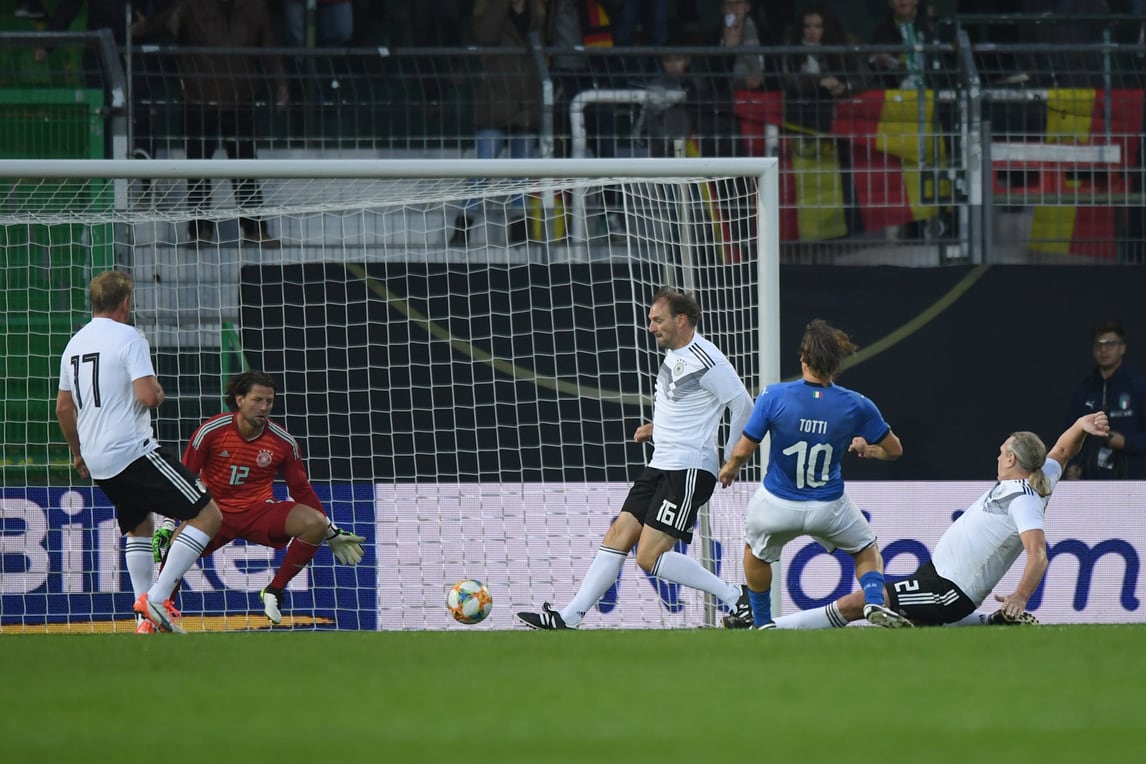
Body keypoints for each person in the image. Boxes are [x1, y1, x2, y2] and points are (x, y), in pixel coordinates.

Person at [516, 286, 754, 629]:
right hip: (661, 463)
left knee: (649, 556)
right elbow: (688, 406)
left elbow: (743, 405)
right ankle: (569, 617)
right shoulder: (676, 355)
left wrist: (732, 459)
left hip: (688, 469)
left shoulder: (708, 359)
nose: (651, 327)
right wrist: (657, 428)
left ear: (681, 319)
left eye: (657, 320)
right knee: (619, 533)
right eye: (650, 320)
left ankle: (735, 597)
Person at [770, 412, 1111, 629]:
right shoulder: (1038, 477)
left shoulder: (1024, 500)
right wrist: (1080, 426)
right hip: (935, 575)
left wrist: (1021, 596)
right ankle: (989, 623)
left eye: (1001, 451)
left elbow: (1038, 554)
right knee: (909, 624)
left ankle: (772, 628)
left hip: (949, 591)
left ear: (1010, 458)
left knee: (860, 602)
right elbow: (1062, 452)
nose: (997, 455)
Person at [55, 270, 223, 634]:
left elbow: (63, 408)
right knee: (208, 515)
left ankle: (144, 622)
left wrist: (78, 453)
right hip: (131, 450)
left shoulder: (74, 344)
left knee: (139, 526)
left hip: (98, 459)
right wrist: (158, 393)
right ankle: (157, 599)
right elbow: (147, 396)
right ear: (126, 302)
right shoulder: (129, 337)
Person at [718, 319, 905, 630]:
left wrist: (729, 469)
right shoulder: (857, 404)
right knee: (865, 549)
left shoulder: (774, 395)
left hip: (777, 504)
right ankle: (873, 600)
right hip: (828, 507)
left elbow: (744, 449)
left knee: (755, 554)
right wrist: (868, 449)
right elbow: (895, 449)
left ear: (803, 357)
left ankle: (762, 623)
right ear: (836, 362)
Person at [152, 370, 366, 625]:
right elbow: (184, 478)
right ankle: (158, 614)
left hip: (257, 512)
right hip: (213, 514)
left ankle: (274, 590)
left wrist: (330, 530)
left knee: (315, 524)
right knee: (173, 551)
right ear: (240, 400)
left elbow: (300, 489)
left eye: (269, 401)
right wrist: (169, 522)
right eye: (257, 400)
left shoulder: (283, 442)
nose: (264, 407)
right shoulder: (212, 431)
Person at [133, 0, 288, 247]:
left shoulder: (253, 7)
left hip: (238, 98)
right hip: (201, 98)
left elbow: (270, 50)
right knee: (200, 168)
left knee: (243, 166)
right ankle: (201, 230)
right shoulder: (193, 6)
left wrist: (281, 86)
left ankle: (251, 228)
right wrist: (143, 27)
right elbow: (160, 23)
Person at [450, 0, 548, 248]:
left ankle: (520, 230)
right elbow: (486, 34)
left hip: (526, 97)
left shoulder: (536, 6)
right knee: (484, 166)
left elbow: (542, 36)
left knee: (522, 172)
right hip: (496, 96)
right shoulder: (487, 5)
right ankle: (463, 226)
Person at [1063, 321, 1146, 480]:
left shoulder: (1138, 387)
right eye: (1099, 344)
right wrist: (1072, 464)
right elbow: (1070, 433)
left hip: (1133, 481)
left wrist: (1126, 443)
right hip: (1091, 481)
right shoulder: (1086, 390)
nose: (1103, 349)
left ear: (1122, 348)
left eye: (1110, 344)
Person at [780, 4, 868, 135]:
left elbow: (862, 79)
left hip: (837, 117)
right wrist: (818, 82)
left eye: (818, 26)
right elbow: (789, 80)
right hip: (800, 114)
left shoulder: (842, 47)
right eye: (807, 26)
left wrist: (843, 87)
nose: (812, 31)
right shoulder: (792, 48)